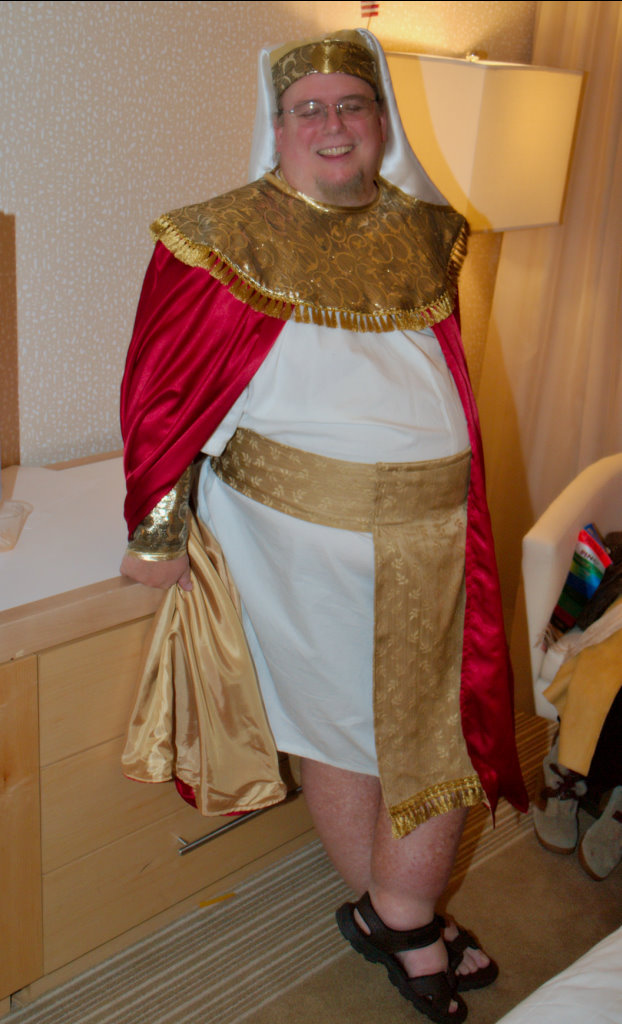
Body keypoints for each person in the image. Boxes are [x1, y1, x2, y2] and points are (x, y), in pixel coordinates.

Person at [120, 29, 528, 1024]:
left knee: (395, 734)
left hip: (432, 537)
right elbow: (164, 387)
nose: (334, 123)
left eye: (354, 103)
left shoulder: (426, 229)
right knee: (364, 735)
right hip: (298, 546)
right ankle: (408, 916)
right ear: (277, 126)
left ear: (382, 120)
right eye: (310, 108)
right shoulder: (219, 234)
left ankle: (394, 915)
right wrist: (159, 529)